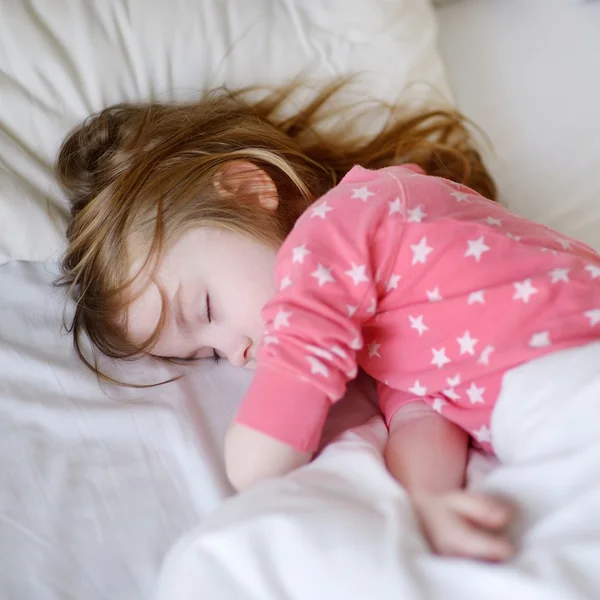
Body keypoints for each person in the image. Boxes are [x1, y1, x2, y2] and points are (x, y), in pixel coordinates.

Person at [55, 82, 600, 562]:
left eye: (206, 311)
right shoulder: (383, 314)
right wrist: (429, 501)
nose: (236, 351)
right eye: (209, 354)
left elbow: (262, 456)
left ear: (249, 190)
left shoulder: (339, 227)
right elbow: (420, 413)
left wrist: (250, 459)